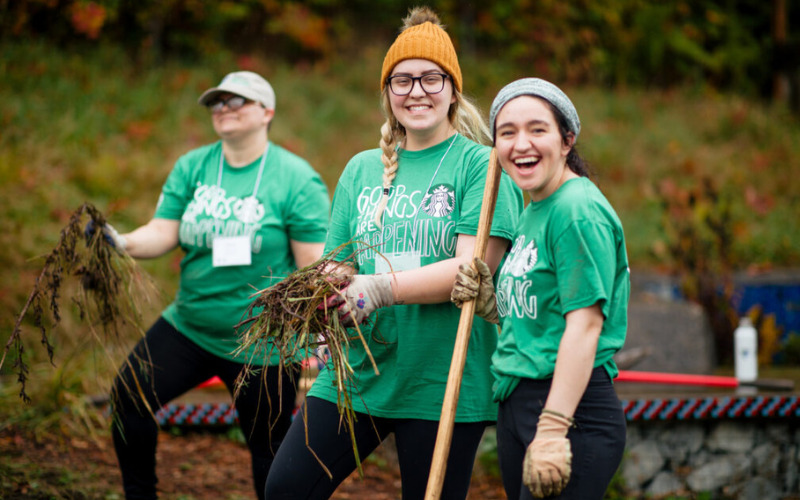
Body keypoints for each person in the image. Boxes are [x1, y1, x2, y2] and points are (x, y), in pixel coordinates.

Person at [264, 7, 523, 500]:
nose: (416, 91)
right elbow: (339, 262)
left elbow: (472, 269)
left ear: (452, 88)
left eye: (430, 78)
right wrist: (325, 293)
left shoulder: (483, 166)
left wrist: (381, 289)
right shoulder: (361, 169)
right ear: (386, 92)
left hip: (441, 378)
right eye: (402, 80)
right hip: (361, 369)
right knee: (286, 489)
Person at [93, 71, 330, 499]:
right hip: (191, 327)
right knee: (129, 398)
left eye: (237, 101)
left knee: (269, 450)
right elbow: (164, 231)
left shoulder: (297, 179)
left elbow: (311, 265)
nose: (223, 109)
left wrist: (318, 327)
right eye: (217, 103)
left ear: (267, 112)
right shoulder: (194, 166)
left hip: (264, 343)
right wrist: (121, 241)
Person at [451, 78, 629, 499]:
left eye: (537, 129)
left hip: (569, 412)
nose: (521, 144)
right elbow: (544, 310)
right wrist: (494, 306)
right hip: (519, 404)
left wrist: (552, 428)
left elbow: (584, 327)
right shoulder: (534, 210)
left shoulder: (576, 211)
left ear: (567, 140)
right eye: (507, 133)